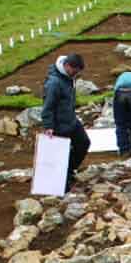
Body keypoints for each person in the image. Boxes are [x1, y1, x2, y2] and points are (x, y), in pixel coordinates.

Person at [40, 53, 91, 191]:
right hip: (58, 125)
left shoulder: (68, 77)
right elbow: (48, 106)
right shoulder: (54, 83)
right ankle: (62, 185)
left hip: (71, 120)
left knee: (84, 143)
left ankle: (69, 171)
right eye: (75, 71)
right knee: (60, 155)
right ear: (67, 66)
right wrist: (48, 126)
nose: (76, 74)